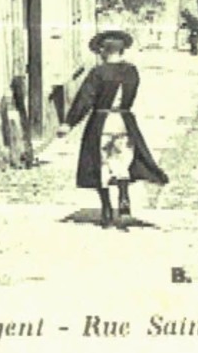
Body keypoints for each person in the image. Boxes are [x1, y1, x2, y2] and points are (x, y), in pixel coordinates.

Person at [60, 28, 168, 227]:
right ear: (122, 51)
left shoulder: (98, 73)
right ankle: (124, 196)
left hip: (101, 122)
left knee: (100, 163)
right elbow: (131, 94)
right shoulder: (131, 72)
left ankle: (107, 209)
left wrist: (69, 122)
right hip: (123, 122)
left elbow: (85, 100)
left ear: (103, 51)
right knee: (122, 160)